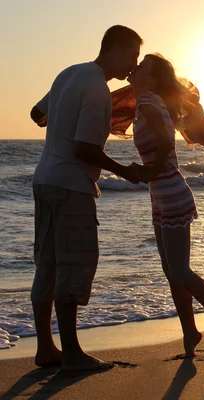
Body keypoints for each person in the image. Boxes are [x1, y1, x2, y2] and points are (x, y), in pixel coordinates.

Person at [29, 25, 148, 371]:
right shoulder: (97, 88)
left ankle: (45, 349)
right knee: (75, 264)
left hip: (44, 180)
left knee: (47, 265)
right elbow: (84, 149)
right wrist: (127, 171)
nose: (132, 66)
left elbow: (38, 115)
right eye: (132, 56)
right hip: (71, 186)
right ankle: (73, 355)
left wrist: (61, 119)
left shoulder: (69, 73)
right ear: (115, 49)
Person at [127, 53, 204, 356]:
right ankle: (190, 332)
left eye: (141, 68)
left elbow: (163, 142)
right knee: (172, 271)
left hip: (171, 194)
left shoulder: (148, 102)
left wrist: (147, 171)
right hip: (161, 195)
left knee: (179, 271)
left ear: (151, 79)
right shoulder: (148, 102)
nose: (134, 70)